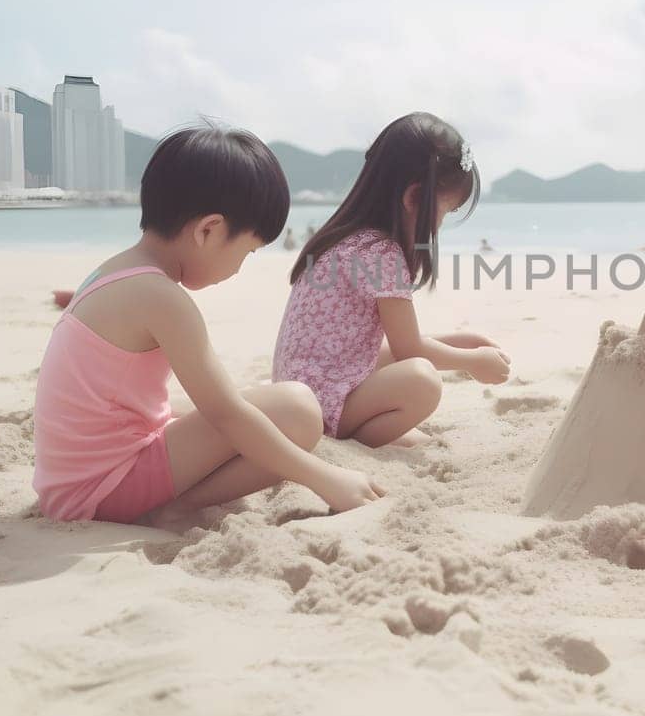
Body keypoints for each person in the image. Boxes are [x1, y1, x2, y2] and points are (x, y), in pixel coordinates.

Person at [32, 125, 383, 524]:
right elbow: (226, 415)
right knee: (298, 409)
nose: (238, 268)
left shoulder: (113, 271)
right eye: (247, 252)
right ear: (208, 230)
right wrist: (326, 478)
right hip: (103, 491)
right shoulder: (162, 298)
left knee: (250, 403)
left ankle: (171, 499)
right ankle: (175, 509)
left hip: (68, 482)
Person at [274, 113, 511, 448]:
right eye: (446, 211)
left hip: (303, 385)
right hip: (318, 406)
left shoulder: (346, 239)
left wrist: (460, 341)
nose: (440, 223)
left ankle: (357, 428)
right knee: (422, 383)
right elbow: (409, 349)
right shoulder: (382, 252)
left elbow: (397, 343)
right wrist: (472, 363)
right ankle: (355, 441)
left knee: (395, 358)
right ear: (414, 198)